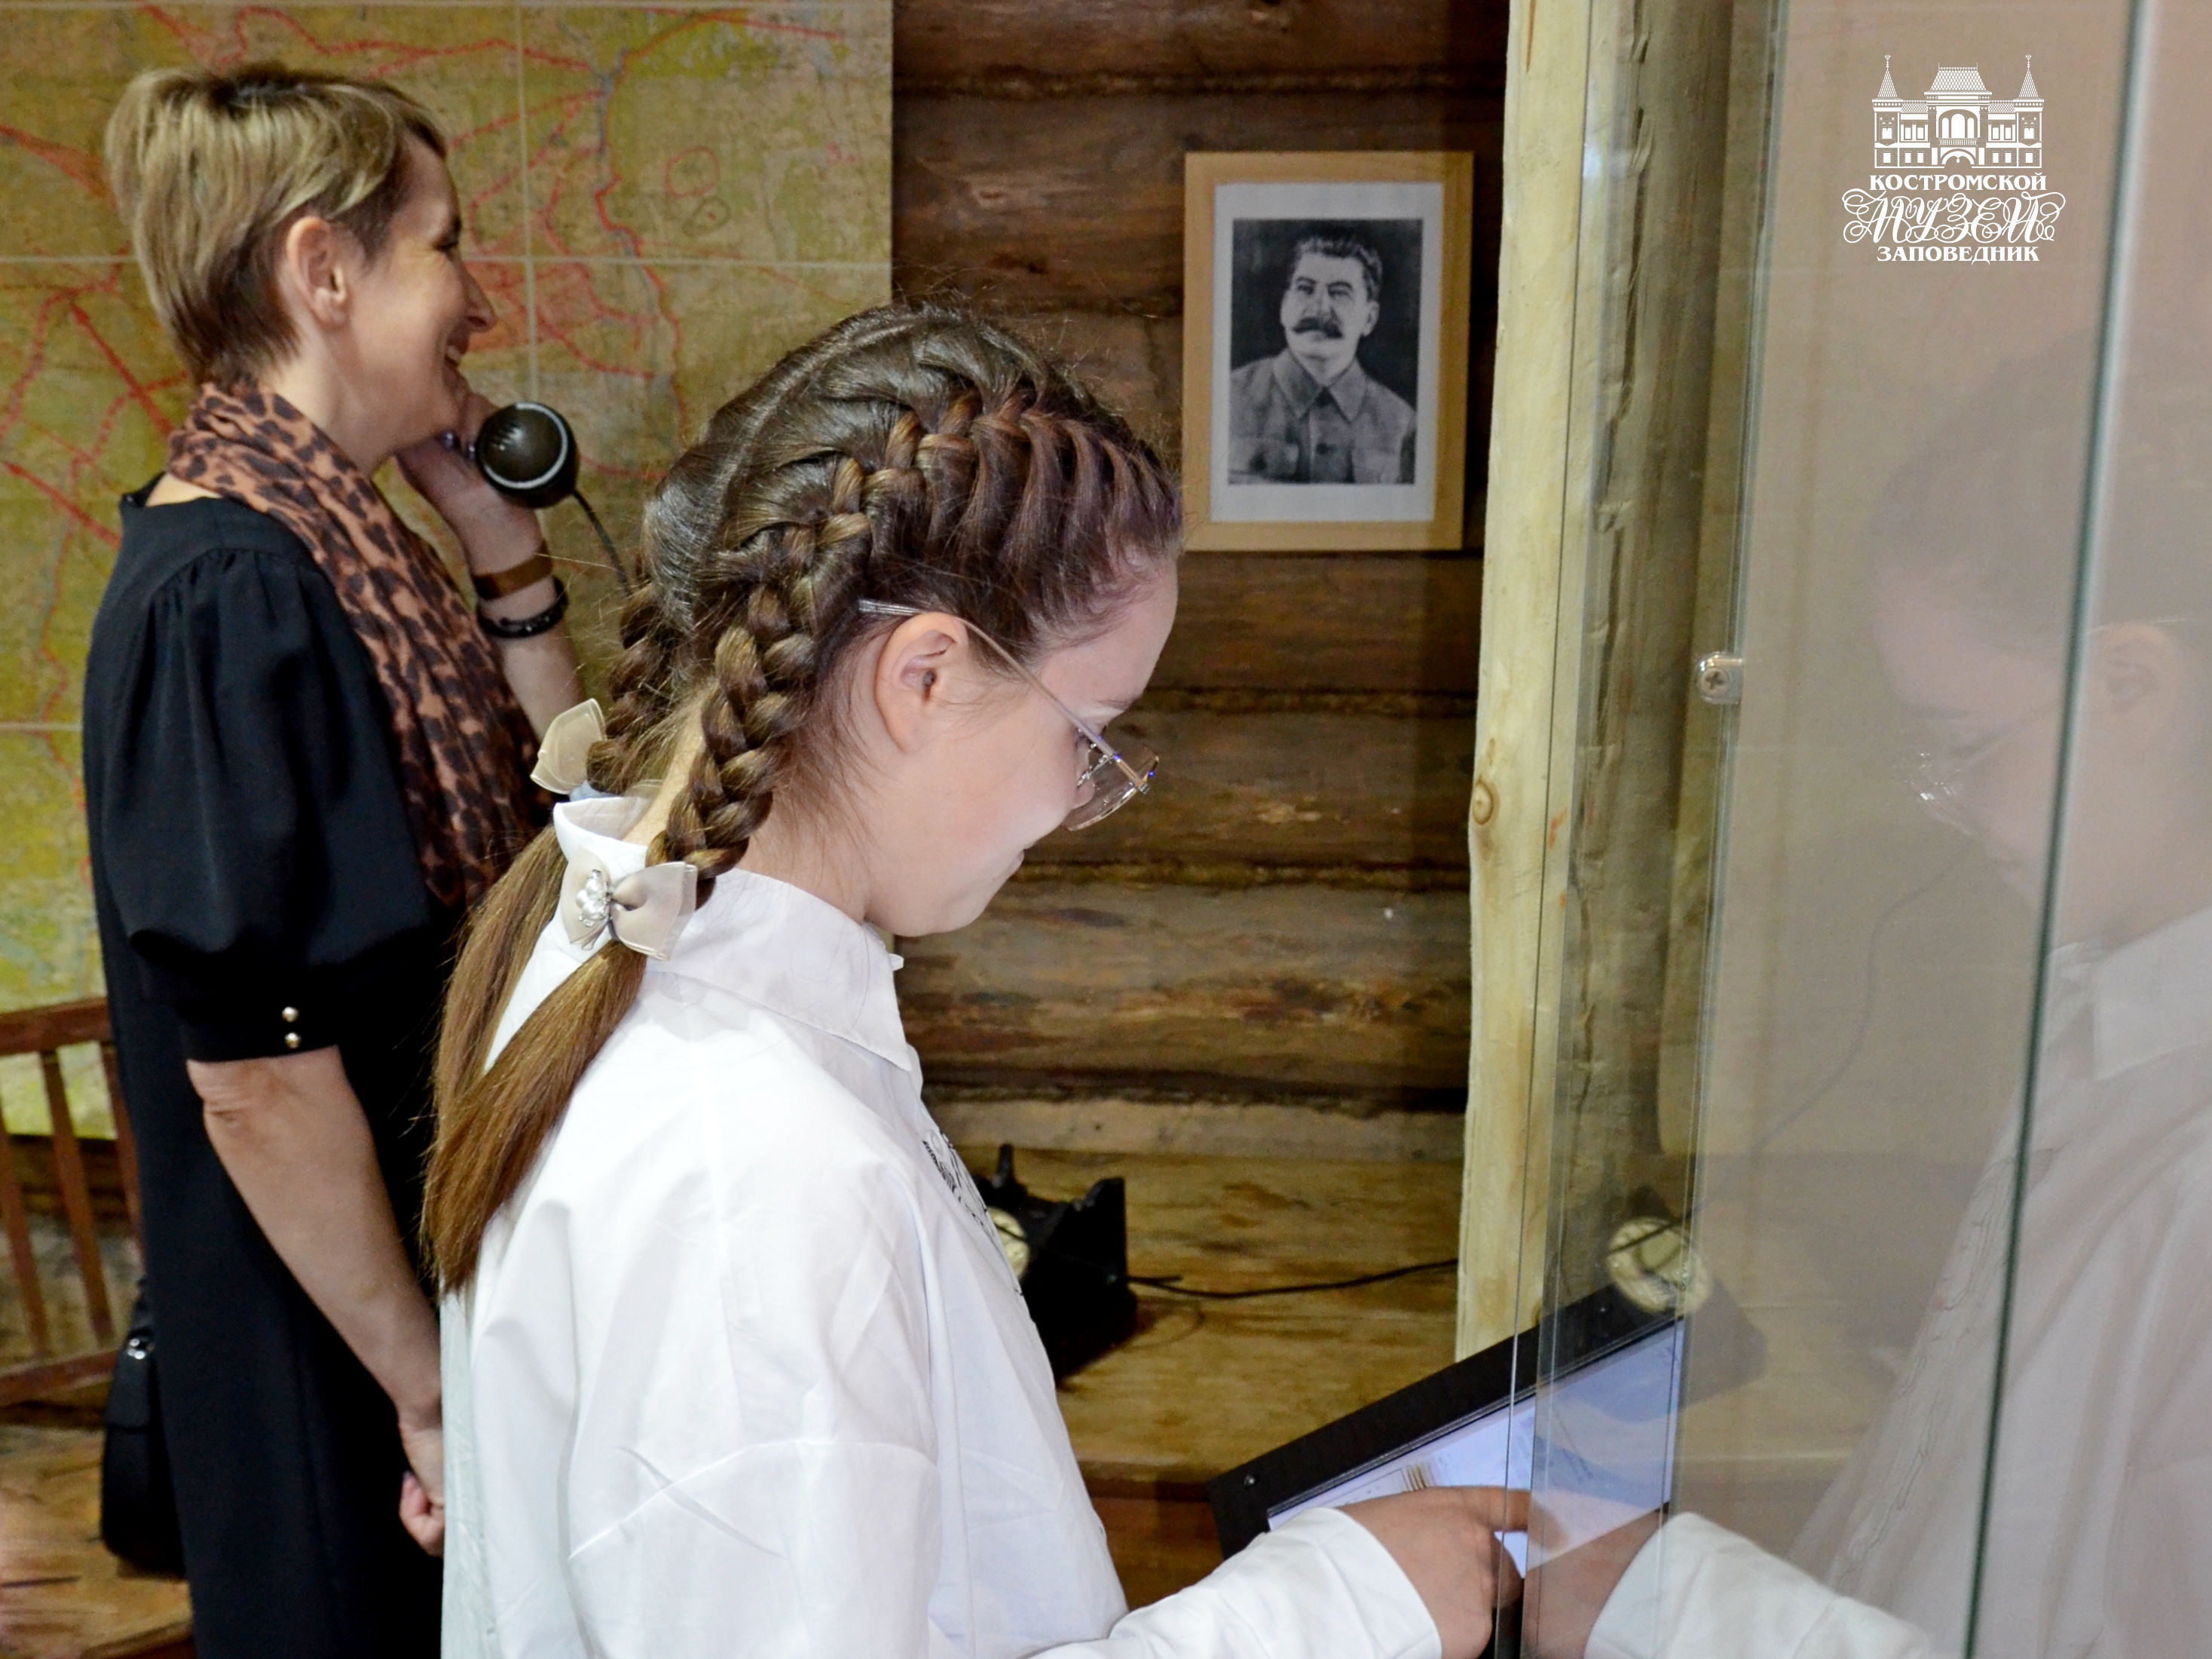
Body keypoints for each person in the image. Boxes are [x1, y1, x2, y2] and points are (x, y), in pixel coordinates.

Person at [430, 306, 1523, 1658]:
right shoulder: (757, 1181)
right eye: (1089, 738)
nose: (1078, 804)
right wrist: (1339, 1607)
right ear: (926, 677)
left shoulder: (613, 936)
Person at [1520, 384, 2212, 1657]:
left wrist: (1668, 1606)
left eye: (1963, 743)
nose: (1945, 806)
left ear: (2133, 686)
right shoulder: (2100, 1028)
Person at [81, 63, 581, 1657]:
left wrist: (501, 550)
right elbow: (257, 1080)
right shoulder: (226, 592)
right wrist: (425, 1394)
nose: (477, 300)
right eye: (444, 244)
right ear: (324, 271)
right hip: (332, 1358)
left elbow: (571, 839)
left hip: (407, 1298)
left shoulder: (350, 549)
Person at [1227, 231, 1417, 485]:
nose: (1319, 307)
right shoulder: (1228, 398)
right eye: (1305, 289)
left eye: (1340, 293)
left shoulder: (1402, 423)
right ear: (1284, 306)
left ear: (1369, 319)